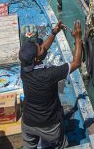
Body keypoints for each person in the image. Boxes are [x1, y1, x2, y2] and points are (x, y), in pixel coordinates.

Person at [20, 20, 83, 149]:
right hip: (49, 125)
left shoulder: (24, 68)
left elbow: (43, 49)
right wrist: (77, 39)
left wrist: (54, 32)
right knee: (60, 145)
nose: (42, 47)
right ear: (37, 59)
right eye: (40, 48)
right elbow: (76, 63)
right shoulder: (49, 74)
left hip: (28, 123)